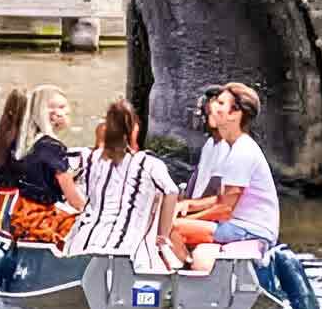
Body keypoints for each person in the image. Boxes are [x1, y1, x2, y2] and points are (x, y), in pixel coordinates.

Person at [167, 79, 281, 269]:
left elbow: (225, 209)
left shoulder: (242, 151)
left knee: (173, 229)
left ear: (235, 114)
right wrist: (190, 204)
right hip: (238, 225)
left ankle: (185, 276)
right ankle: (187, 269)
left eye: (220, 103)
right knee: (174, 226)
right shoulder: (230, 147)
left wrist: (183, 220)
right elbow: (221, 199)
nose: (212, 107)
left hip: (251, 229)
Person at [0, 84, 81, 246]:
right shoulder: (53, 147)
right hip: (29, 219)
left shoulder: (11, 139)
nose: (61, 112)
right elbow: (75, 202)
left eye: (63, 107)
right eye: (57, 107)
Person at [67, 98, 177, 259]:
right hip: (125, 250)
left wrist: (76, 202)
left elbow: (57, 163)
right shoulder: (149, 163)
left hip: (81, 245)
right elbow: (172, 191)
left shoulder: (89, 157)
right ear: (134, 129)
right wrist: (163, 235)